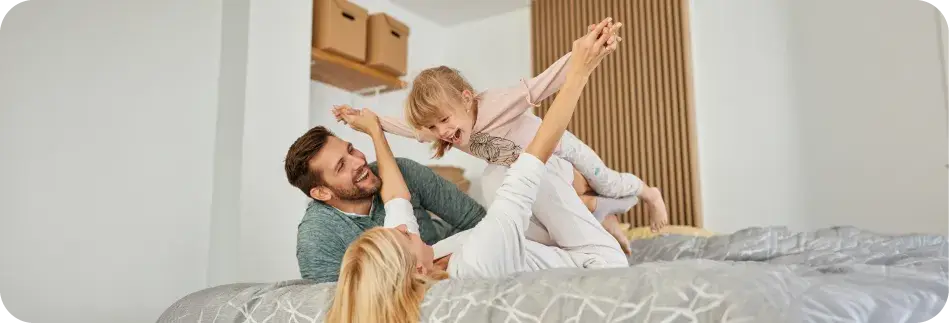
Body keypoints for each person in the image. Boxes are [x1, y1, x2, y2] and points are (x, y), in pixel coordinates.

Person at [325, 18, 626, 323]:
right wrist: (581, 69)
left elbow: (396, 200)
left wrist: (375, 131)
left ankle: (597, 206)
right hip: (599, 262)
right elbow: (536, 152)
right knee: (509, 171)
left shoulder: (421, 267)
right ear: (416, 268)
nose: (403, 228)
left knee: (499, 175)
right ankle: (605, 207)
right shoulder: (479, 260)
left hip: (546, 248)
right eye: (401, 236)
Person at [284, 125, 487, 283]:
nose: (358, 161)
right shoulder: (317, 237)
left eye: (351, 149)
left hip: (459, 256)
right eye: (341, 166)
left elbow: (478, 220)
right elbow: (336, 307)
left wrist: (455, 260)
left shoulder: (402, 171)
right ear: (322, 192)